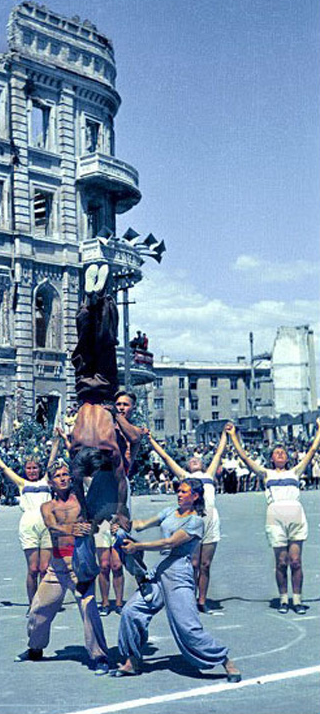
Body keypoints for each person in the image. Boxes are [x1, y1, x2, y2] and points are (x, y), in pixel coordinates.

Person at [111, 478, 241, 682]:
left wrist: (138, 547)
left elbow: (170, 542)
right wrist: (121, 525)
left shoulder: (196, 521)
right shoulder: (170, 511)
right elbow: (142, 524)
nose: (179, 494)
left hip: (179, 574)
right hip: (160, 571)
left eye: (184, 492)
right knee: (131, 611)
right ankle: (132, 661)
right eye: (178, 491)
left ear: (195, 496)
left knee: (187, 627)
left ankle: (225, 660)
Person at [15, 460, 110, 675]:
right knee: (38, 609)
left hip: (79, 565)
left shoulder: (82, 503)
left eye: (66, 474)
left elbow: (98, 520)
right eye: (58, 476)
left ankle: (100, 656)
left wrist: (90, 526)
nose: (63, 478)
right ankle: (35, 648)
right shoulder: (47, 507)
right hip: (56, 567)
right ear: (50, 482)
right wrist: (73, 528)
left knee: (89, 609)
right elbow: (53, 527)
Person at [68, 263, 142, 532]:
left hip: (104, 394)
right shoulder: (78, 449)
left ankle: (100, 300)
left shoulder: (105, 449)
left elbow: (115, 480)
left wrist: (86, 514)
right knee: (85, 347)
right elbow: (115, 481)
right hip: (86, 394)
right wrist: (118, 510)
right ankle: (90, 302)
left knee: (105, 342)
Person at [226, 419, 320, 614]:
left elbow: (311, 452)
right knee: (281, 562)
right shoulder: (266, 474)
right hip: (275, 518)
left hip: (296, 517)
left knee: (296, 561)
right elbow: (244, 458)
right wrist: (233, 436)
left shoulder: (295, 472)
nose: (280, 454)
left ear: (287, 458)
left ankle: (298, 599)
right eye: (277, 452)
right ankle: (284, 599)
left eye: (283, 453)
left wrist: (319, 430)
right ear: (271, 458)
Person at [145, 425, 228, 612]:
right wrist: (150, 440)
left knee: (206, 564)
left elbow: (218, 454)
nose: (194, 460)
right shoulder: (186, 477)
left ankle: (202, 600)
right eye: (191, 460)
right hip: (194, 519)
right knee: (194, 563)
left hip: (211, 520)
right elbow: (166, 457)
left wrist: (224, 434)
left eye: (197, 459)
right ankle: (188, 598)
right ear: (187, 466)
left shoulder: (208, 475)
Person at [0, 436, 60, 607]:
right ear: (25, 470)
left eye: (35, 468)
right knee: (33, 569)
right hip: (28, 527)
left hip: (47, 526)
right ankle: (33, 603)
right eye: (29, 468)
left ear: (40, 469)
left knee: (44, 569)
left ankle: (44, 603)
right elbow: (3, 467)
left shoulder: (46, 481)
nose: (32, 471)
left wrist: (56, 443)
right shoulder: (22, 483)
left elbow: (52, 461)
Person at [95, 389, 145, 616]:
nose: (121, 407)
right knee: (101, 555)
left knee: (118, 548)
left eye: (125, 404)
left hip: (120, 485)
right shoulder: (105, 426)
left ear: (132, 408)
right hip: (100, 483)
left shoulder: (133, 430)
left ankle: (118, 601)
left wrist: (117, 416)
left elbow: (134, 438)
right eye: (118, 404)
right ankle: (104, 601)